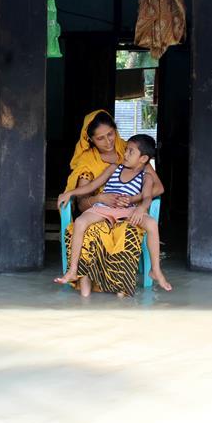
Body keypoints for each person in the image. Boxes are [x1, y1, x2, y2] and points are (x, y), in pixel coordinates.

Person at [61, 110, 167, 297]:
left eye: (111, 134)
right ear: (91, 140)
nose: (108, 142)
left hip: (127, 210)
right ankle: (80, 276)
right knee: (90, 230)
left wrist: (134, 200)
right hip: (100, 210)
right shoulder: (91, 161)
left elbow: (156, 188)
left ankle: (128, 281)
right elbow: (83, 202)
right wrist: (99, 198)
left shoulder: (130, 151)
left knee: (130, 231)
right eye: (100, 138)